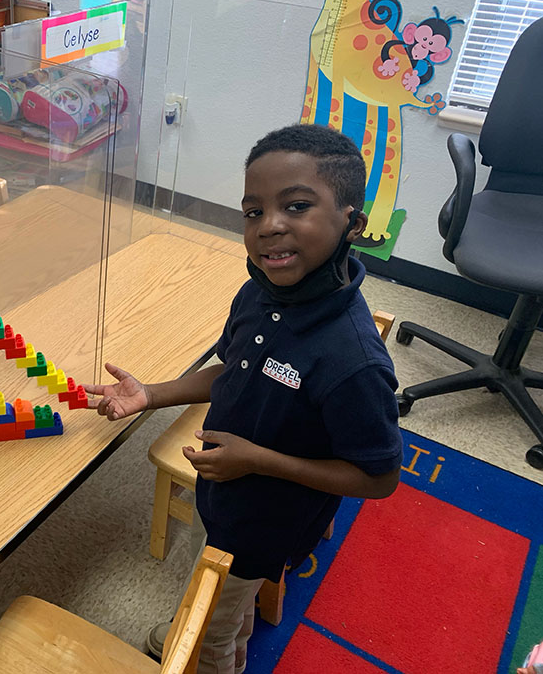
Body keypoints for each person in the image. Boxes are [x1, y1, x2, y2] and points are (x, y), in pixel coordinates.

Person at [84, 123, 403, 674]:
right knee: (213, 596)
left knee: (214, 618)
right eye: (253, 212)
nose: (269, 227)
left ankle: (207, 645)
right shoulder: (258, 290)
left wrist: (257, 460)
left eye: (296, 206)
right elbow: (233, 372)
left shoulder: (354, 362)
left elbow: (379, 478)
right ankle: (209, 629)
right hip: (221, 492)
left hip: (265, 521)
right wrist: (151, 394)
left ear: (354, 222)